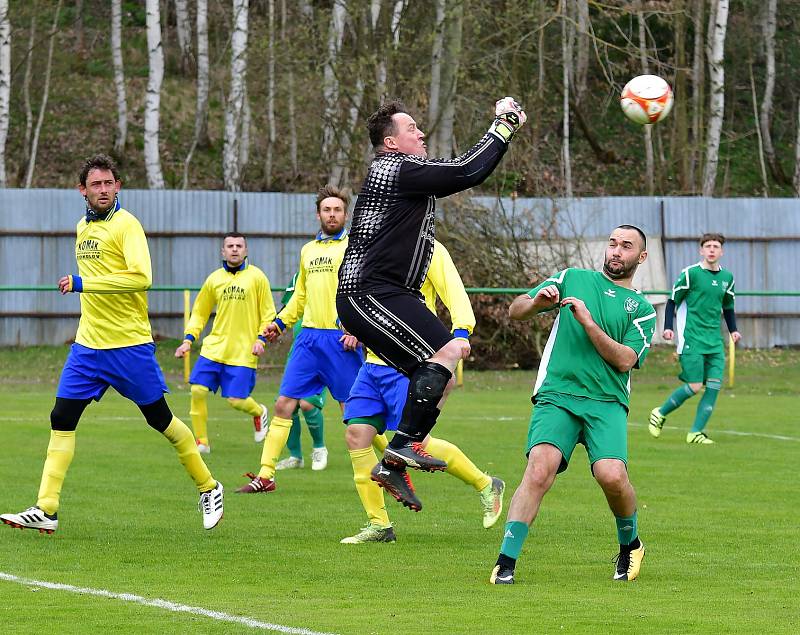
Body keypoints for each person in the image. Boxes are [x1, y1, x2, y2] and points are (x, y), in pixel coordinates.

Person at [0, 154, 223, 534]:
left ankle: (209, 486)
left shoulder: (127, 225)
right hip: (88, 347)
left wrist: (84, 283)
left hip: (129, 346)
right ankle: (47, 508)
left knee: (160, 419)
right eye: (95, 184)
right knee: (61, 418)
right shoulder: (82, 228)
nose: (103, 190)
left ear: (118, 186)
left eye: (109, 183)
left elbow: (141, 277)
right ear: (82, 190)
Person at [335, 97, 526, 510]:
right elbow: (466, 171)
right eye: (412, 128)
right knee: (447, 352)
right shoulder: (393, 168)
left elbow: (460, 169)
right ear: (390, 143)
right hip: (369, 290)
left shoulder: (405, 171)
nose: (421, 133)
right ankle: (403, 448)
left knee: (448, 368)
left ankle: (397, 457)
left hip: (387, 293)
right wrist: (504, 124)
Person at [489, 225, 656, 585]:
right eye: (612, 243)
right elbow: (516, 310)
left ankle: (631, 544)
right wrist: (536, 303)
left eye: (626, 246)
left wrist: (588, 322)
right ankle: (505, 561)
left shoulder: (642, 309)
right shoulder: (572, 277)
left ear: (640, 257)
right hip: (558, 395)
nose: (616, 251)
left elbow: (625, 360)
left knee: (611, 475)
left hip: (606, 402)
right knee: (538, 470)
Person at [340, 239, 505, 543]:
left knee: (419, 444)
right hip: (373, 363)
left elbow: (454, 291)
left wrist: (461, 332)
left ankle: (486, 484)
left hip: (408, 359)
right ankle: (379, 525)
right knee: (356, 435)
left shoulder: (428, 248)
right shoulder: (370, 246)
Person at [237, 185, 363, 493]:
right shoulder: (308, 250)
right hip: (308, 340)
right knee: (283, 404)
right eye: (326, 210)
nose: (331, 215)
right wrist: (279, 323)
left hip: (341, 341)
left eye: (337, 210)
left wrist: (358, 329)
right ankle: (266, 475)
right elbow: (300, 296)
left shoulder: (355, 248)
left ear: (346, 214)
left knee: (357, 415)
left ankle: (388, 466)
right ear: (318, 214)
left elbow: (365, 293)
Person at [174, 233, 276, 454]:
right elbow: (199, 313)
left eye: (239, 246)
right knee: (198, 390)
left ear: (246, 251)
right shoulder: (214, 279)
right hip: (214, 348)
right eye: (230, 246)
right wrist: (188, 340)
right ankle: (201, 442)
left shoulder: (257, 278)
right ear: (223, 251)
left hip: (243, 351)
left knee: (236, 401)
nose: (235, 249)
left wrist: (261, 339)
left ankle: (258, 412)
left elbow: (268, 314)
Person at [648, 233, 740, 444]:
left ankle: (695, 433)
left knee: (714, 386)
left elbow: (728, 307)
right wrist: (668, 328)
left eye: (715, 246)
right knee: (695, 386)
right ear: (701, 250)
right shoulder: (690, 274)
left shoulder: (728, 278)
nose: (711, 249)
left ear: (721, 251)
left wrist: (733, 330)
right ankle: (660, 413)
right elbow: (672, 301)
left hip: (715, 342)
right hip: (692, 339)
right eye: (707, 246)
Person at [275, 271, 328, 471]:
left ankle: (319, 448)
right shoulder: (301, 274)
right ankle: (295, 456)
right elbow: (290, 306)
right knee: (285, 404)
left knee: (307, 403)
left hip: (324, 348)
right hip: (300, 349)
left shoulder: (341, 264)